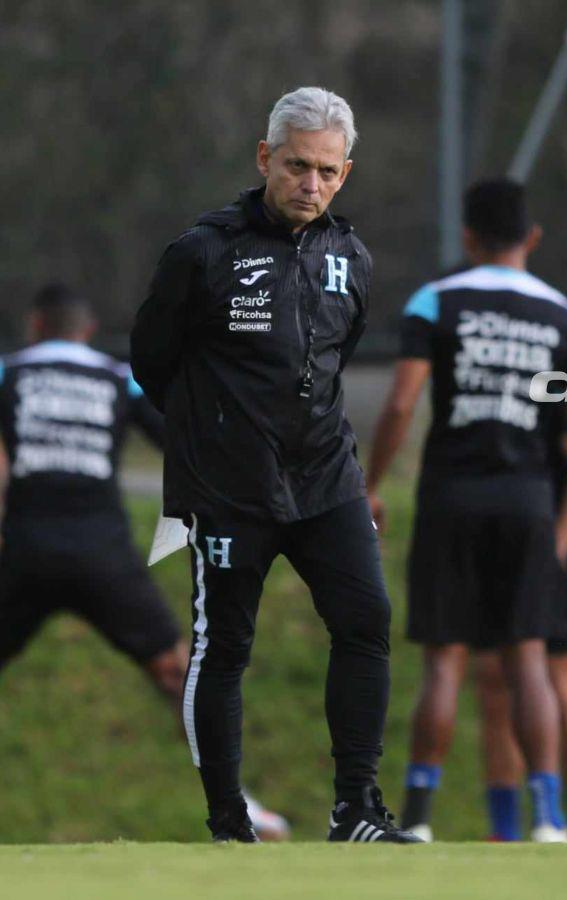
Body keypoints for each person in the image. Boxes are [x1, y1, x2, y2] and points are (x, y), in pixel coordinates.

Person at [131, 87, 419, 844]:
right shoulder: (202, 252)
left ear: (345, 173)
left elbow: (330, 362)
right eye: (297, 166)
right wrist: (216, 435)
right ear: (265, 158)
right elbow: (151, 363)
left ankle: (356, 810)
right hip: (228, 490)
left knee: (367, 622)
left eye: (327, 171)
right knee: (223, 649)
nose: (311, 185)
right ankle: (229, 822)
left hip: (327, 479)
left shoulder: (350, 257)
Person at [366, 178, 567, 843]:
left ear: (468, 238)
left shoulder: (434, 302)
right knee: (528, 656)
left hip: (451, 496)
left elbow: (399, 405)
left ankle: (416, 820)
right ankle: (551, 819)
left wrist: (370, 485)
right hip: (531, 502)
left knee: (444, 661)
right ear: (532, 238)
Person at [0, 285, 290, 839]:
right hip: (103, 557)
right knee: (176, 670)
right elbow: (181, 443)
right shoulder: (115, 377)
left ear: (35, 326)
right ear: (86, 331)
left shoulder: (9, 372)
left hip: (23, 553)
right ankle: (238, 805)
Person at [473, 442, 567, 841]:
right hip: (500, 548)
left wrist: (556, 549)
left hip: (554, 553)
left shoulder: (563, 382)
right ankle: (505, 830)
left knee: (564, 688)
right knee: (495, 686)